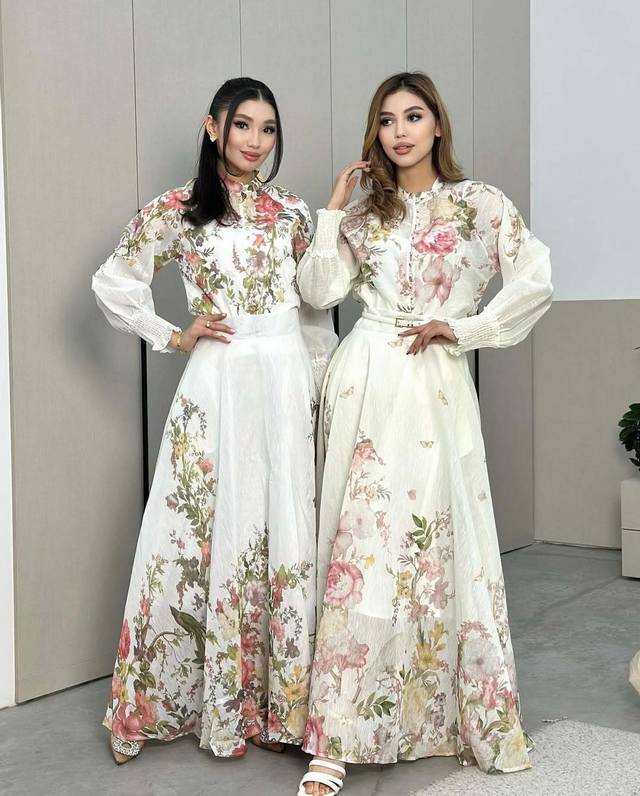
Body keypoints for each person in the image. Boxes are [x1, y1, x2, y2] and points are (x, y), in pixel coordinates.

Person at [295, 71, 553, 796]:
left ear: (438, 123)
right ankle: (336, 736)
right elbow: (318, 292)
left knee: (437, 546)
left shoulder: (480, 204)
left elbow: (535, 279)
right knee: (360, 545)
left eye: (413, 116)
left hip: (434, 387)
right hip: (365, 380)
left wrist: (465, 328)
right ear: (375, 133)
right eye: (386, 120)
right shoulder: (363, 214)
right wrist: (332, 212)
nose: (400, 132)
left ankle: (433, 714)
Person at [91, 76, 336, 765]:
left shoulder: (292, 212)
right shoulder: (179, 209)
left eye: (268, 129)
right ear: (212, 127)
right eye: (243, 125)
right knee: (197, 531)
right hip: (220, 379)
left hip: (284, 378)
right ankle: (171, 704)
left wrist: (320, 386)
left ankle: (281, 706)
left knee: (283, 527)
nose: (256, 141)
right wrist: (172, 334)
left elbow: (314, 312)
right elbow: (114, 281)